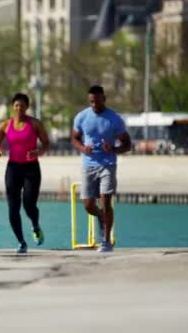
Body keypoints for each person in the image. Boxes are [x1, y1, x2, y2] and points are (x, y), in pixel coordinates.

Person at [71, 85, 131, 253]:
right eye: (91, 102)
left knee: (105, 201)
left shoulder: (114, 119)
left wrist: (113, 149)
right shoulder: (82, 117)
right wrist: (83, 148)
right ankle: (100, 218)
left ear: (104, 99)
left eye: (97, 101)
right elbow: (74, 138)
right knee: (88, 205)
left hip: (107, 164)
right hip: (88, 165)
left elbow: (127, 145)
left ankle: (105, 241)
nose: (94, 105)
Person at [0, 93, 50, 253]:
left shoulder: (35, 124)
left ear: (27, 107)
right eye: (16, 105)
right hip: (13, 169)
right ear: (12, 107)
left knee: (29, 205)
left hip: (31, 169)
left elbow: (46, 144)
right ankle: (21, 242)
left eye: (22, 106)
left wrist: (38, 152)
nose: (19, 108)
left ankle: (35, 226)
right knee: (13, 208)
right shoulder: (4, 125)